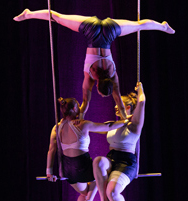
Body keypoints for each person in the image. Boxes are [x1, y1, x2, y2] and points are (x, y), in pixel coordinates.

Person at [14, 9, 173, 119]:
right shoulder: (90, 76)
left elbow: (119, 102)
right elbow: (85, 103)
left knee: (139, 25)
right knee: (58, 17)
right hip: (90, 30)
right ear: (97, 86)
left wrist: (125, 117)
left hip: (110, 30)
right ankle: (28, 15)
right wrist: (80, 118)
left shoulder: (113, 78)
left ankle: (162, 26)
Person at [46, 97, 130, 201]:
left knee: (84, 194)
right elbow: (108, 127)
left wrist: (49, 172)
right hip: (83, 167)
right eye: (78, 107)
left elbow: (51, 150)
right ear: (73, 109)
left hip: (68, 172)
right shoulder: (82, 125)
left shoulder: (56, 128)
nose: (80, 110)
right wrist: (125, 122)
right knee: (101, 176)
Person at [92, 82, 145, 201]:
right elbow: (94, 127)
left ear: (130, 108)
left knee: (113, 192)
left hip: (126, 162)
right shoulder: (115, 124)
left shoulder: (135, 125)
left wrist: (140, 88)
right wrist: (78, 123)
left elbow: (141, 102)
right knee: (98, 162)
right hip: (112, 158)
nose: (116, 108)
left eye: (122, 106)